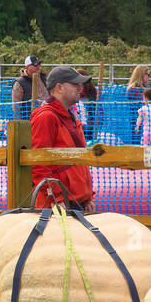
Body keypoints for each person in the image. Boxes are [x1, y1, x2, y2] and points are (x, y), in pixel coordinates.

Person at [29, 66, 95, 211]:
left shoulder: (70, 116)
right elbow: (39, 163)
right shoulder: (46, 117)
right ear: (59, 87)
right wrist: (54, 197)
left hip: (73, 201)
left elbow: (80, 160)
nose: (80, 87)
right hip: (59, 204)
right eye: (75, 83)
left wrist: (87, 196)